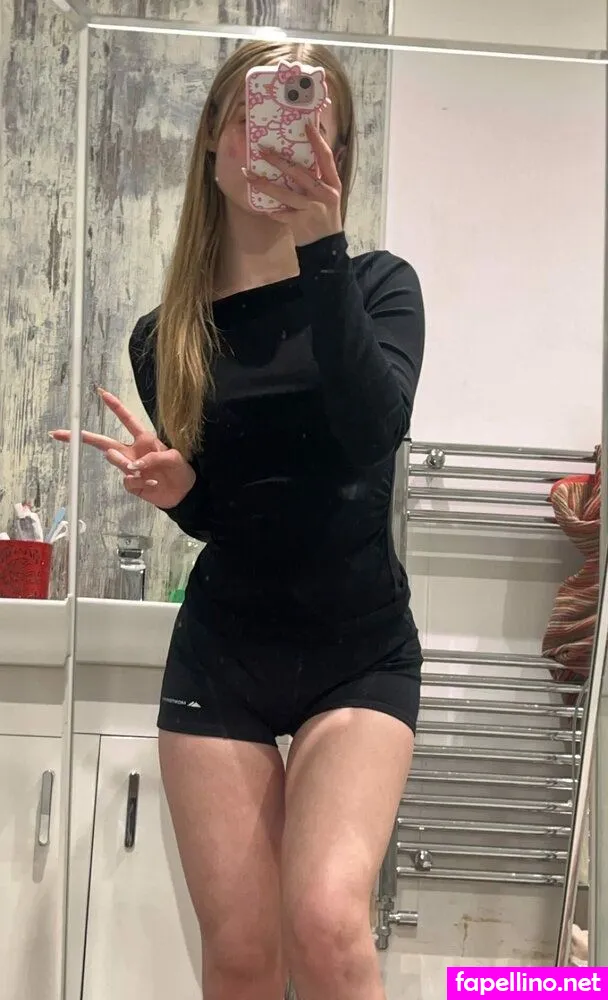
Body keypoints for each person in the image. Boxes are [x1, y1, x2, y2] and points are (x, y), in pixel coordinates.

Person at [52, 40, 425, 1000]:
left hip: (358, 649)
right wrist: (183, 493)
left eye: (313, 129)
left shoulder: (379, 285)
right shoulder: (165, 335)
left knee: (329, 924)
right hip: (224, 654)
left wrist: (322, 250)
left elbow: (372, 433)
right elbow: (230, 516)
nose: (280, 143)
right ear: (214, 139)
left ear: (341, 154)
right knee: (242, 953)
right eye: (258, 119)